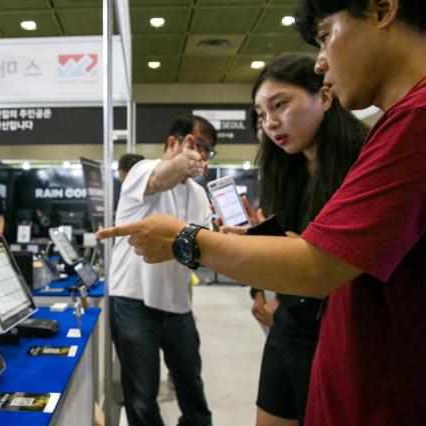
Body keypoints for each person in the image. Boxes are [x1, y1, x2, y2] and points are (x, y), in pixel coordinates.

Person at [97, 0, 426, 424]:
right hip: (333, 357)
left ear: (382, 9)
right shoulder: (392, 126)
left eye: (326, 37)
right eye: (261, 113)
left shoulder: (412, 124)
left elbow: (318, 267)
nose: (322, 63)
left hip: (379, 382)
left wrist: (185, 239)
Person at [236, 54, 367, 426]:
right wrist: (260, 287)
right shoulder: (283, 168)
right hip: (289, 327)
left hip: (345, 337)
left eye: (280, 105)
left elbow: (332, 261)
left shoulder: (364, 160)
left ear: (324, 97)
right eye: (262, 114)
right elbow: (287, 245)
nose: (271, 122)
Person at [110, 115, 216, 426]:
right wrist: (180, 164)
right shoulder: (143, 171)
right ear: (173, 143)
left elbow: (203, 250)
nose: (202, 155)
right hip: (133, 300)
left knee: (191, 385)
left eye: (208, 150)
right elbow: (159, 178)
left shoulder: (197, 194)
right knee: (142, 395)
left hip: (178, 306)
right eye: (197, 145)